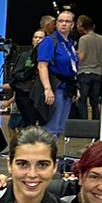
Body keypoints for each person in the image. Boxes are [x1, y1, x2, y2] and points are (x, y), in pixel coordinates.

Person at [36, 8, 80, 138]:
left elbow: (72, 66)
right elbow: (42, 66)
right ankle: (44, 156)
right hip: (55, 87)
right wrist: (47, 89)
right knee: (51, 128)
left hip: (67, 87)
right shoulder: (50, 41)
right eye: (61, 21)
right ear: (56, 24)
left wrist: (76, 87)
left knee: (60, 127)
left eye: (67, 21)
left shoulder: (69, 44)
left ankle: (52, 156)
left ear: (72, 24)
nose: (64, 24)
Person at [75, 15, 102, 120]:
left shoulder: (83, 39)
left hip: (85, 73)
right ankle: (96, 123)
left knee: (82, 101)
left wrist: (75, 55)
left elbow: (81, 57)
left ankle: (84, 124)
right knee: (95, 101)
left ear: (82, 27)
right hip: (98, 73)